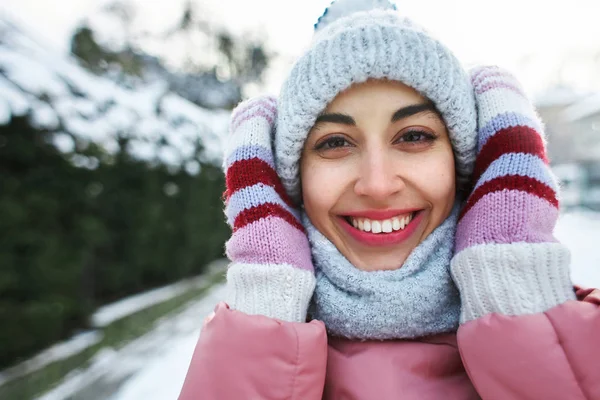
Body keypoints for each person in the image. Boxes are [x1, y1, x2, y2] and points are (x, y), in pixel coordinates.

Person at [179, 1, 600, 399]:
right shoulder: (239, 343)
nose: (378, 186)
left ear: (460, 161)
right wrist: (265, 311)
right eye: (335, 142)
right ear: (292, 179)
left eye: (414, 136)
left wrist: (517, 292)